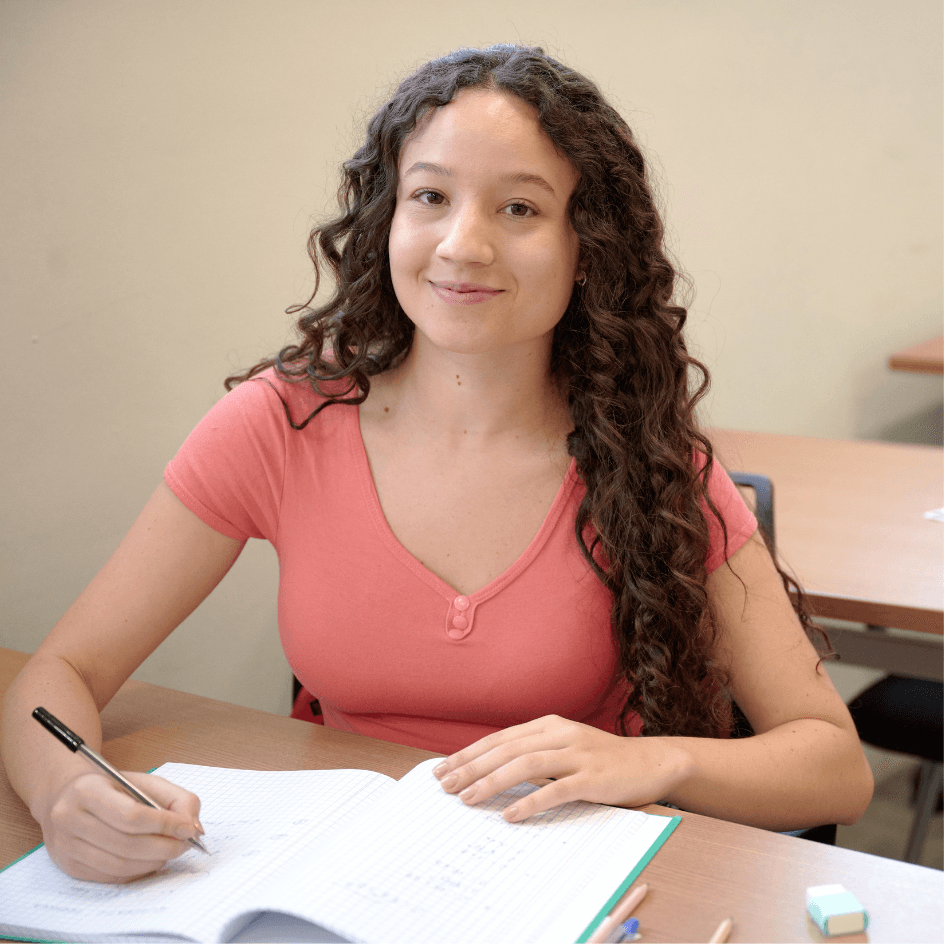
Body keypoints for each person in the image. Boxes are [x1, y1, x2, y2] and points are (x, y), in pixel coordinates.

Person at [1, 44, 873, 884]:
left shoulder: (647, 458)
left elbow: (833, 764)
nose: (463, 243)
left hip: (560, 883)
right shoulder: (280, 422)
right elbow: (60, 672)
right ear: (388, 219)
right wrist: (65, 793)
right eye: (430, 196)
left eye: (519, 208)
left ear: (588, 246)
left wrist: (654, 761)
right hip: (334, 874)